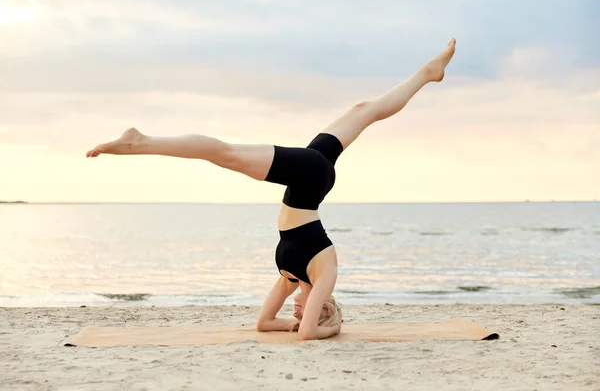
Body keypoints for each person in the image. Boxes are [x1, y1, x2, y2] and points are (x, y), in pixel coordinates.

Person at [87, 39, 456, 340]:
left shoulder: (290, 276)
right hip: (310, 178)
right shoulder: (323, 271)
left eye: (296, 311)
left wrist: (288, 322)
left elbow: (265, 324)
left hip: (310, 179)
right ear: (324, 306)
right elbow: (309, 334)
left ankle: (426, 74)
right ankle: (141, 141)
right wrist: (331, 327)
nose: (295, 310)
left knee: (362, 111)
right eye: (306, 309)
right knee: (224, 153)